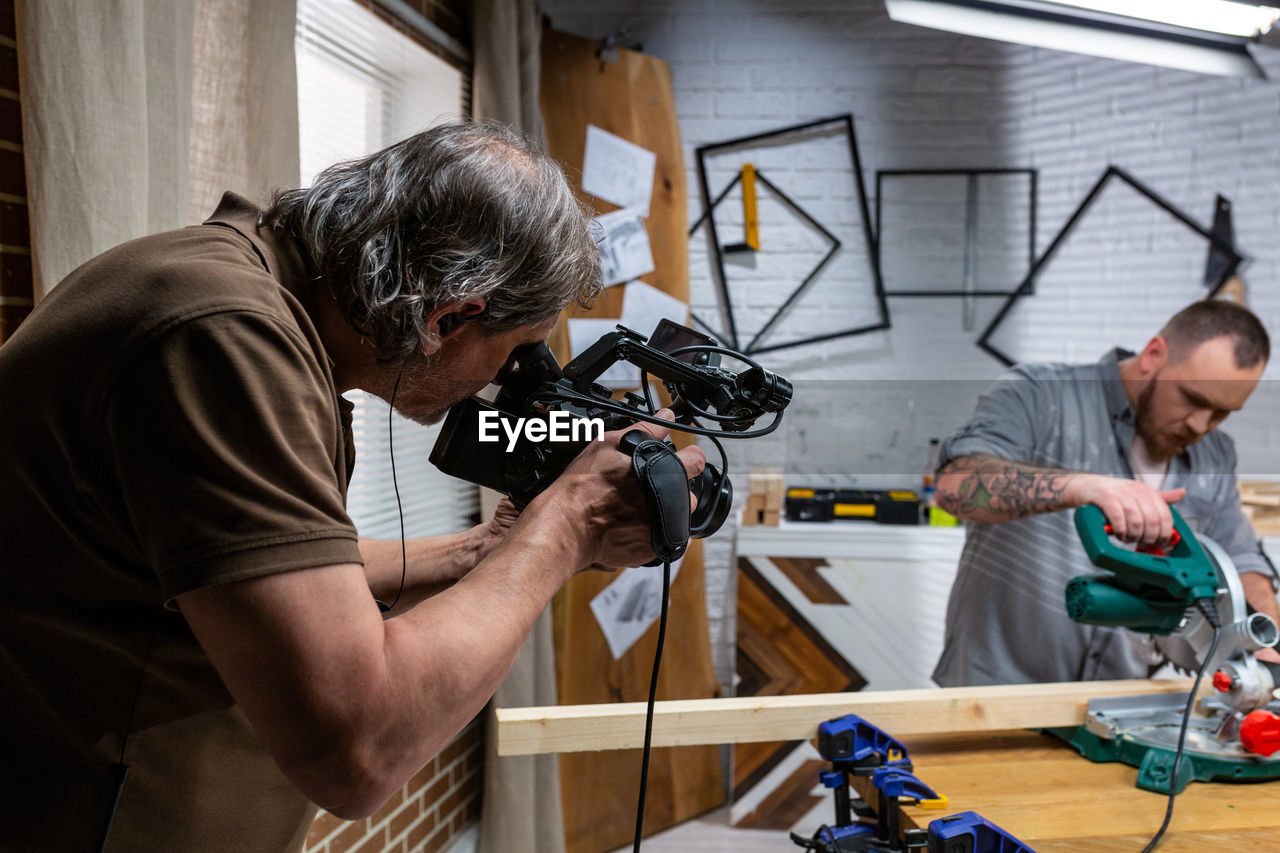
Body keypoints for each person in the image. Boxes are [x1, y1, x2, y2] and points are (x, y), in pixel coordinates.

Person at [0, 121, 705, 851]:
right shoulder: (225, 337)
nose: (508, 381)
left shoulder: (243, 293)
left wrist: (484, 550)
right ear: (449, 316)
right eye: (518, 350)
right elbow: (357, 750)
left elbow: (270, 573)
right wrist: (570, 524)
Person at [932, 300, 1279, 687]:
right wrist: (1082, 486)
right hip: (995, 694)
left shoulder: (1215, 455)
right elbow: (954, 487)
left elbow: (1241, 561)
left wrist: (1264, 644)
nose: (1201, 424)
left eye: (1222, 412)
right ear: (1153, 355)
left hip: (1117, 707)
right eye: (1193, 399)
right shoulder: (1042, 394)